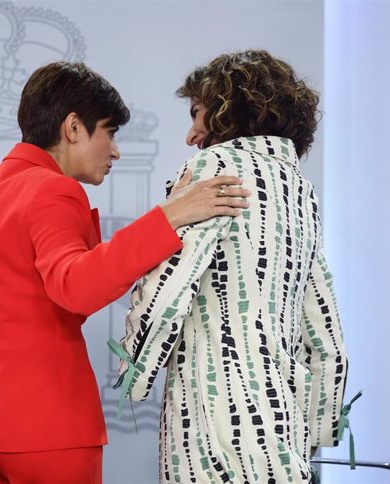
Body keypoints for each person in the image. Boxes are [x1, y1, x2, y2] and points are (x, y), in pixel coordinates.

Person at [0, 61, 250, 484]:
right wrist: (169, 216)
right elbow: (75, 286)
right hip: (47, 430)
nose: (115, 150)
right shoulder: (53, 188)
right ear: (73, 127)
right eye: (110, 132)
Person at [114, 50, 348, 483]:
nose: (190, 135)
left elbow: (171, 284)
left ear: (227, 110)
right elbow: (324, 321)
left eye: (198, 114)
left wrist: (135, 368)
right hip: (279, 417)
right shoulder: (299, 189)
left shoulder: (214, 169)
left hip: (214, 414)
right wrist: (318, 422)